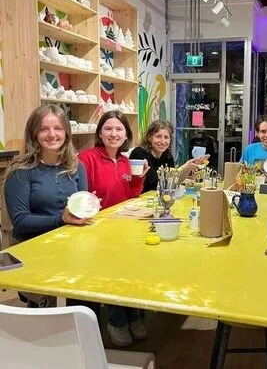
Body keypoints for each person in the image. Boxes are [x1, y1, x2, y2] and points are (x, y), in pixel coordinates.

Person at [3, 104, 88, 307]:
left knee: (83, 293)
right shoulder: (21, 171)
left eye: (58, 128)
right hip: (32, 250)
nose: (52, 134)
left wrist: (89, 207)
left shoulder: (77, 167)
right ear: (34, 134)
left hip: (69, 246)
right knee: (43, 309)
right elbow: (21, 222)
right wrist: (61, 219)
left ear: (66, 133)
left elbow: (81, 204)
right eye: (44, 129)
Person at [78, 110, 149, 347]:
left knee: (131, 271)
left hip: (123, 228)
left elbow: (131, 195)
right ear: (100, 132)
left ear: (126, 134)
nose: (113, 133)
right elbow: (80, 195)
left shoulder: (126, 161)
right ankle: (117, 320)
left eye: (119, 129)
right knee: (111, 273)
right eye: (108, 128)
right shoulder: (87, 158)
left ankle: (133, 314)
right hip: (96, 230)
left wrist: (139, 179)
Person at [129, 120, 208, 193]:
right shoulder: (139, 153)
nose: (163, 141)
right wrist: (183, 168)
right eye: (158, 136)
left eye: (166, 137)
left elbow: (173, 182)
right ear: (150, 137)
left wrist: (188, 168)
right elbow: (153, 185)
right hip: (138, 201)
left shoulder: (167, 155)